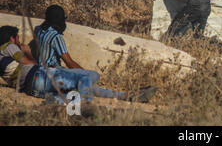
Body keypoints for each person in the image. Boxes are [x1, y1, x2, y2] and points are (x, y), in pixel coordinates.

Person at [0, 26, 155, 104]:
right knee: (89, 78)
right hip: (40, 76)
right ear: (11, 38)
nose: (20, 39)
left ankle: (126, 96)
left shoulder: (3, 60)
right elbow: (27, 61)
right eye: (17, 37)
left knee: (83, 87)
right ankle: (87, 107)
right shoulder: (8, 46)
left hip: (32, 88)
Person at [33, 5, 157, 101]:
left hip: (41, 73)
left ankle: (126, 96)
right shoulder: (56, 37)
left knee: (89, 87)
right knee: (94, 76)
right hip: (54, 73)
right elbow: (69, 62)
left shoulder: (38, 30)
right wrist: (83, 73)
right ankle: (127, 95)